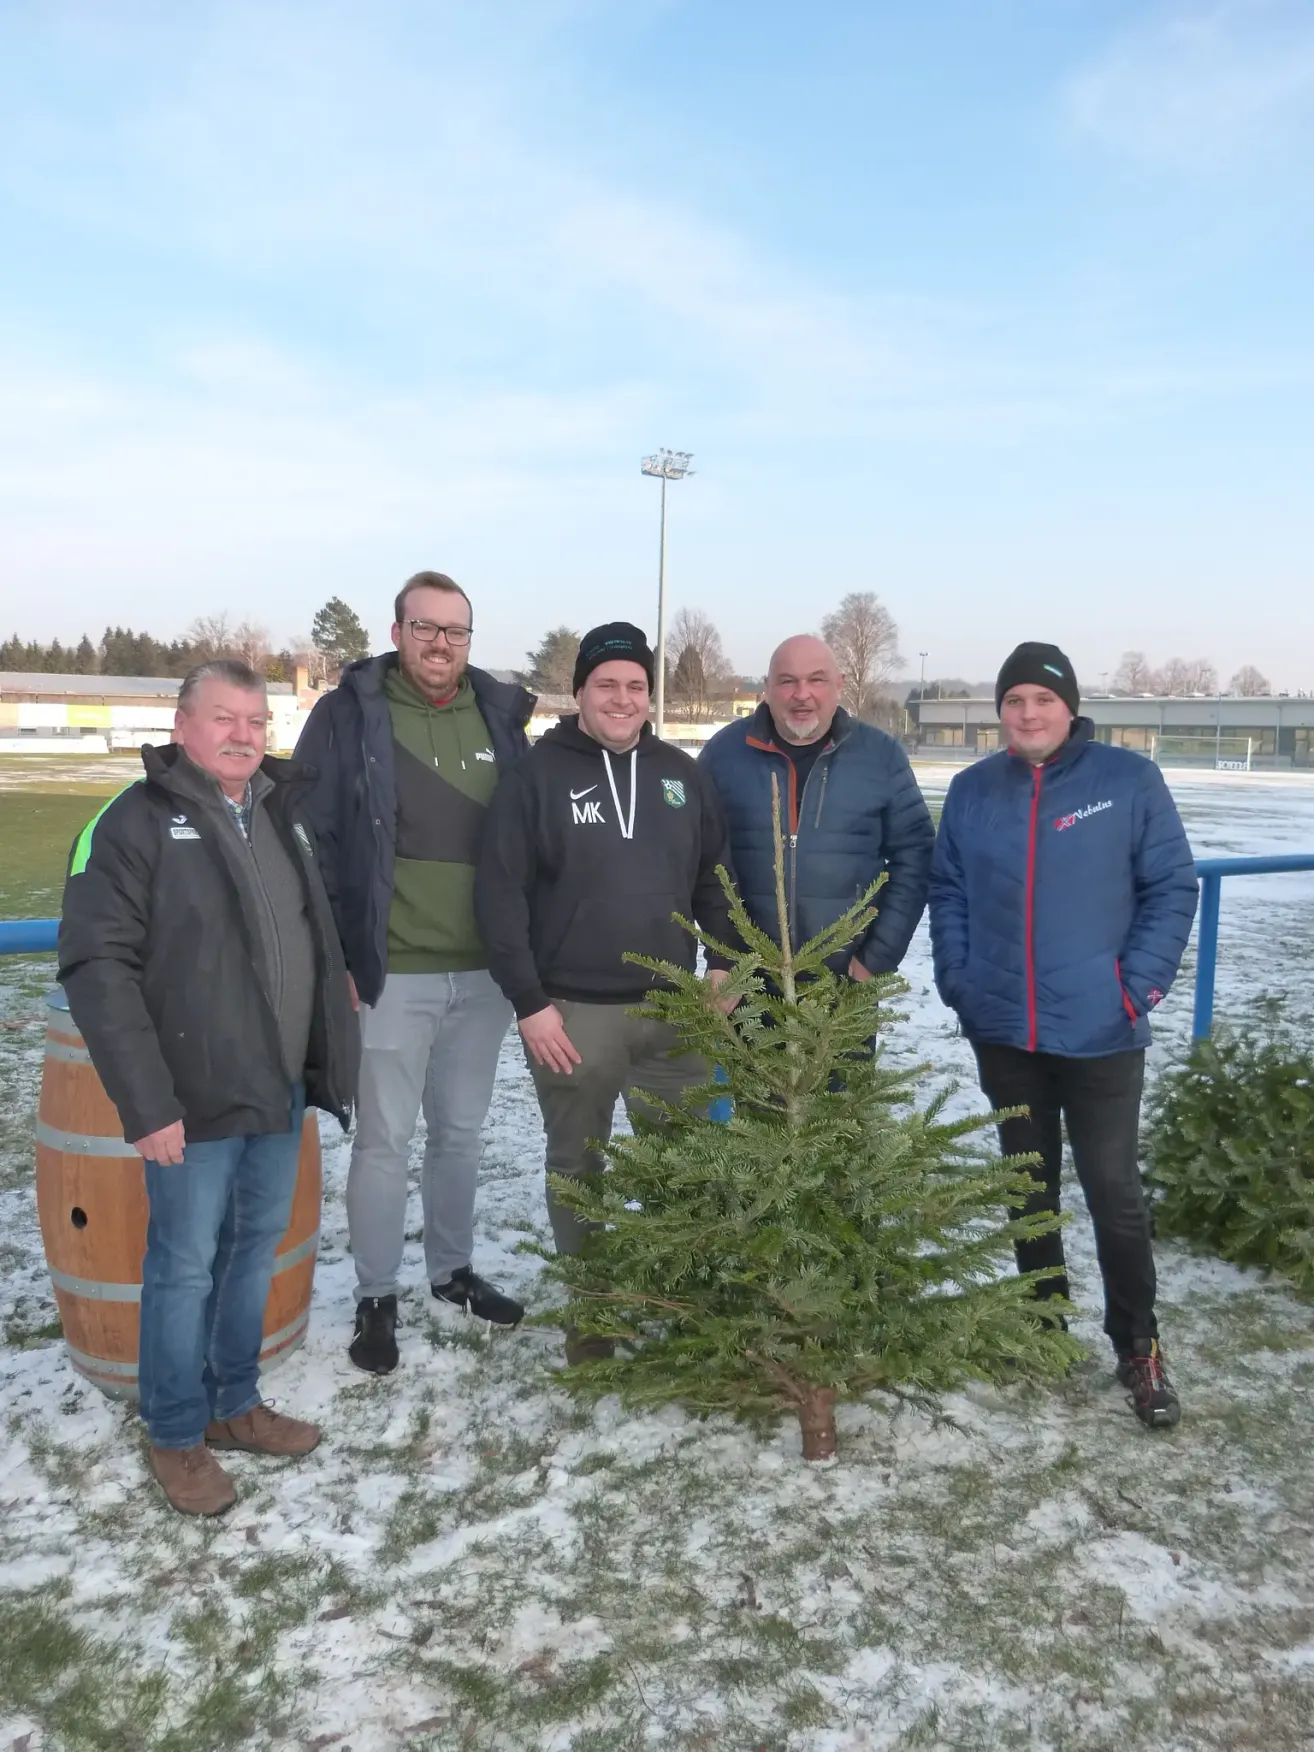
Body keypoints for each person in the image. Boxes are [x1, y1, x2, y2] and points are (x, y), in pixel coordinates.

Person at [58, 660, 358, 1516]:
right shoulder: (132, 823)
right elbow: (96, 967)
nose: (242, 735)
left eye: (257, 721)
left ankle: (235, 1405)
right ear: (182, 725)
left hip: (274, 1092)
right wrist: (146, 1104)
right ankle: (176, 1434)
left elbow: (310, 936)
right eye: (223, 718)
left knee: (251, 1249)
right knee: (183, 1267)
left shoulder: (279, 811)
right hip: (190, 1101)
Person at [928, 641, 1198, 1429]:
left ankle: (1138, 1345)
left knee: (1113, 1192)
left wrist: (1133, 986)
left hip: (1103, 1030)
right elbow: (948, 890)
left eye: (1042, 700)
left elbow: (1171, 886)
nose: (1027, 714)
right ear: (1001, 712)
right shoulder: (976, 791)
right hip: (1005, 1028)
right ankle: (1041, 1325)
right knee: (1027, 1186)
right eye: (1013, 701)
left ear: (1068, 708)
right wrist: (961, 980)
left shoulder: (1126, 782)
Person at [295, 571, 534, 1375]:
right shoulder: (347, 716)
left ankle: (451, 1272)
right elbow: (314, 840)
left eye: (456, 631)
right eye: (425, 627)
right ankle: (374, 1294)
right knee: (386, 1142)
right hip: (392, 973)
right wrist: (342, 959)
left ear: (471, 639)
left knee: (460, 1134)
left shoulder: (501, 717)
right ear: (397, 631)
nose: (441, 643)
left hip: (485, 976)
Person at [475, 623, 735, 1361]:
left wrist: (721, 963)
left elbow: (715, 876)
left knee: (682, 1164)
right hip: (572, 1013)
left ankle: (682, 1301)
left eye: (634, 686)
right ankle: (593, 1315)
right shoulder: (536, 776)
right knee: (579, 1167)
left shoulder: (682, 774)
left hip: (672, 1009)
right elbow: (500, 896)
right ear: (581, 692)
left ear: (649, 697)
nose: (622, 699)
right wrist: (529, 1002)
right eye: (606, 684)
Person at [698, 634, 934, 989]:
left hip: (841, 992)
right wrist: (724, 958)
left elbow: (916, 858)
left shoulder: (880, 757)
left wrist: (875, 959)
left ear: (839, 685)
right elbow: (700, 860)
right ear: (768, 687)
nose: (802, 694)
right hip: (747, 989)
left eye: (816, 679)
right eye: (787, 681)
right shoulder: (723, 755)